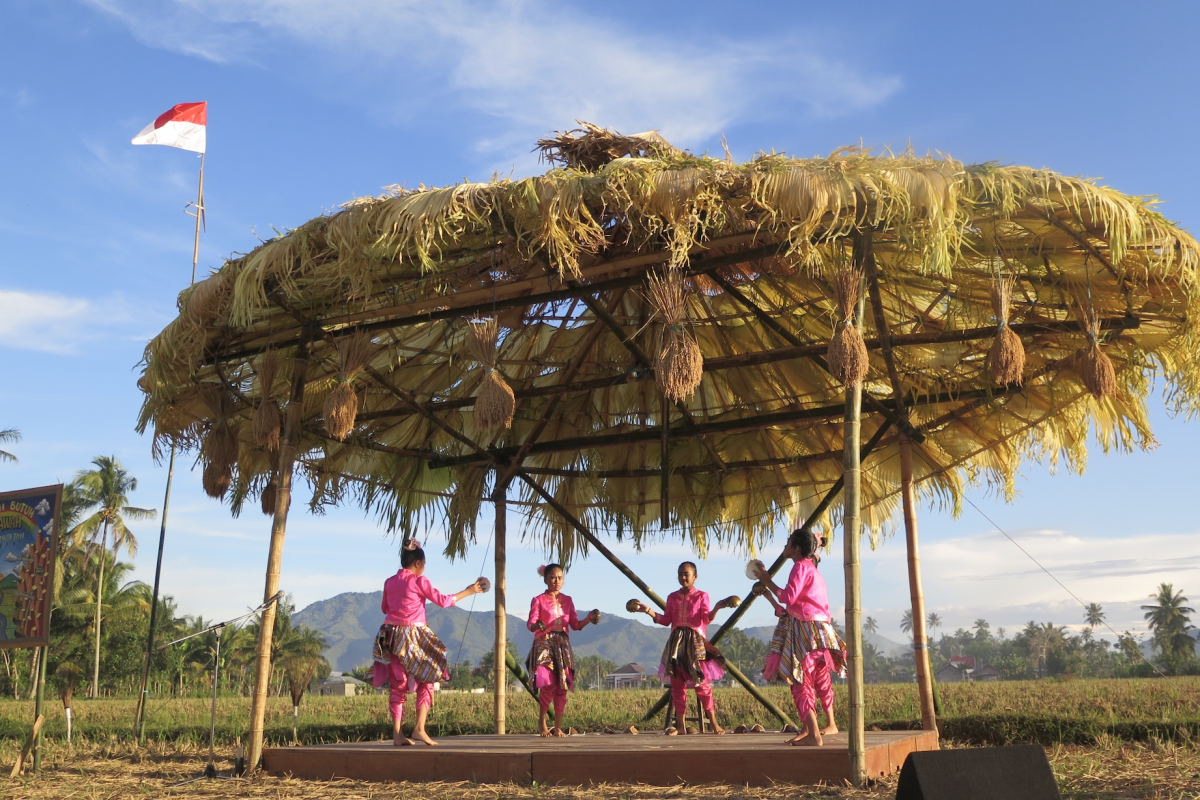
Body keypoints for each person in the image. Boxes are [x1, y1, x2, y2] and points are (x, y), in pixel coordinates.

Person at [372, 539, 488, 746]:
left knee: (397, 686)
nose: (424, 568)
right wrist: (469, 591)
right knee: (429, 676)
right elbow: (444, 601)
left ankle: (397, 734)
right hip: (413, 636)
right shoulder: (419, 581)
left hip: (390, 636)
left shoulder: (389, 582)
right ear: (418, 564)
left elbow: (384, 608)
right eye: (424, 564)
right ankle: (419, 728)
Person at [755, 529, 846, 747]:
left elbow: (789, 597)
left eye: (788, 543)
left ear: (797, 548)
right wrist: (769, 593)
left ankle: (814, 735)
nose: (784, 547)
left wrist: (768, 580)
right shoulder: (812, 570)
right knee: (817, 678)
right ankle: (814, 728)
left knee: (800, 681)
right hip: (818, 628)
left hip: (806, 629)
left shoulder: (800, 567)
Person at [632, 562, 734, 735]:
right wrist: (647, 610)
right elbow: (666, 620)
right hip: (676, 644)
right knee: (677, 684)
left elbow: (705, 619)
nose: (683, 577)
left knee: (701, 683)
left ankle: (714, 723)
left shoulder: (702, 596)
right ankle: (680, 726)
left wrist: (717, 607)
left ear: (695, 576)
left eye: (686, 574)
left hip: (695, 643)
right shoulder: (672, 597)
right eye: (680, 574)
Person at [526, 563, 600, 737]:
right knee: (548, 684)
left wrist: (589, 618)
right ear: (545, 580)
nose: (556, 581)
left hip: (562, 644)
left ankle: (558, 727)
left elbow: (575, 625)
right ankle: (542, 723)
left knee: (562, 686)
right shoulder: (538, 600)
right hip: (544, 643)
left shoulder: (568, 600)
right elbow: (530, 624)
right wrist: (538, 625)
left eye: (560, 578)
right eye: (552, 577)